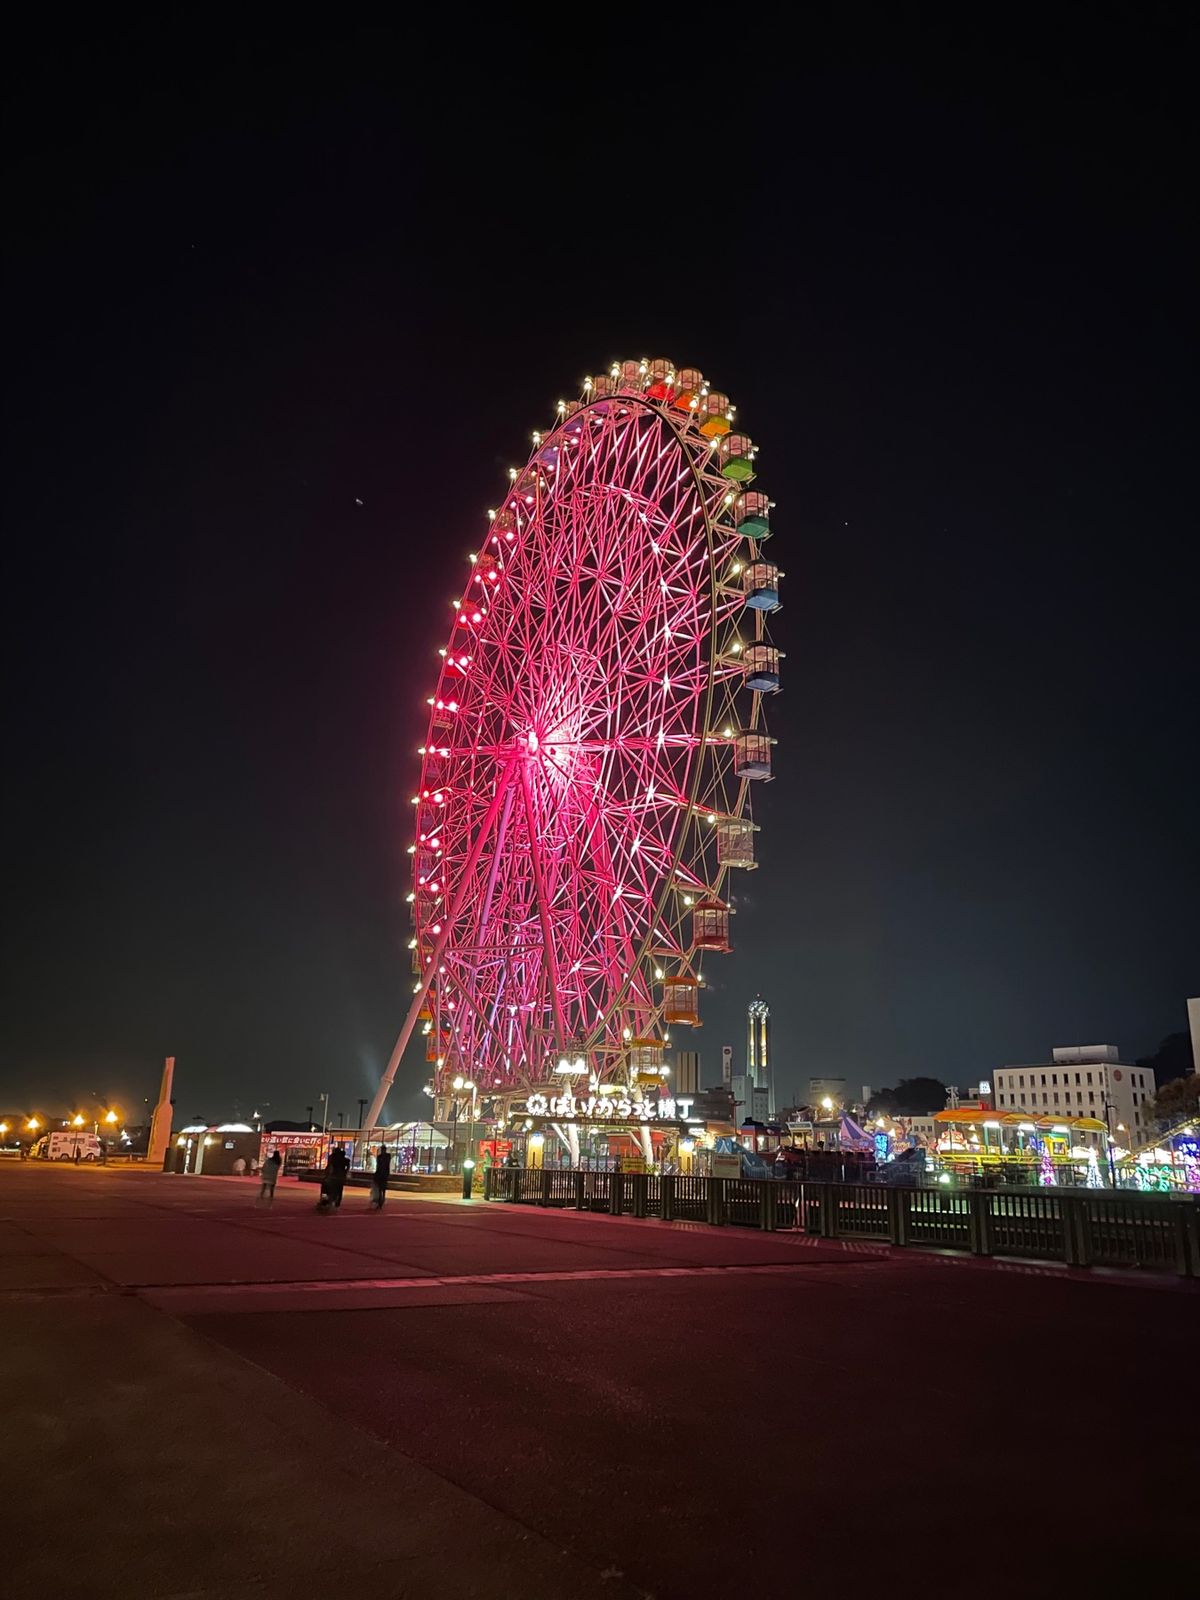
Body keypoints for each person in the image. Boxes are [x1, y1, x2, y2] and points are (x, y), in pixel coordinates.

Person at [319, 1145, 349, 1211]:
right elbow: (347, 1168)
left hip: (333, 1176)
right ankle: (336, 1203)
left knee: (328, 1189)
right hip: (340, 1177)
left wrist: (326, 1174)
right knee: (339, 1190)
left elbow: (329, 1167)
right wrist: (345, 1173)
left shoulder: (332, 1158)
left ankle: (326, 1201)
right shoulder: (344, 1160)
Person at [369, 1145, 391, 1211]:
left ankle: (381, 1200)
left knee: (382, 1189)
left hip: (383, 1174)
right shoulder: (382, 1157)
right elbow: (379, 1166)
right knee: (380, 1189)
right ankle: (380, 1201)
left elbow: (385, 1165)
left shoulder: (385, 1156)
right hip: (381, 1174)